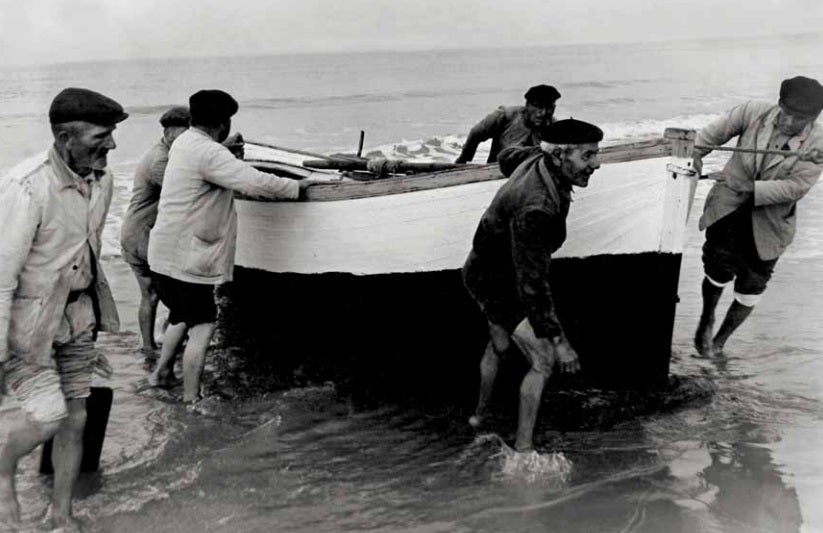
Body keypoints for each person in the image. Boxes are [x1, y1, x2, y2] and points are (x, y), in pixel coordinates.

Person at [0, 87, 126, 530]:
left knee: (77, 418)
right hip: (28, 322)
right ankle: (2, 475)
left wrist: (97, 328)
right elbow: (1, 278)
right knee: (47, 416)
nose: (110, 145)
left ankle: (61, 514)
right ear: (63, 137)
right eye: (100, 137)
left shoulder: (102, 180)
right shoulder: (25, 187)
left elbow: (86, 252)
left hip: (78, 318)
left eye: (111, 135)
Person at [147, 89, 308, 403]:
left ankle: (160, 373)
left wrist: (222, 148)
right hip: (189, 260)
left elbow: (210, 159)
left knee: (180, 317)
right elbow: (254, 182)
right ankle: (192, 399)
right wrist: (296, 187)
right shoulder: (210, 153)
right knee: (203, 327)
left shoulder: (184, 143)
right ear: (222, 123)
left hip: (163, 255)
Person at [462, 118, 603, 452]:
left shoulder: (535, 158)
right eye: (587, 156)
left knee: (499, 341)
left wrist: (537, 145)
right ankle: (524, 451)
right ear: (559, 157)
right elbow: (532, 286)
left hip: (483, 267)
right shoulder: (535, 208)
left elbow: (506, 156)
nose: (596, 164)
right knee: (544, 359)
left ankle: (479, 418)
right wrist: (560, 342)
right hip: (497, 279)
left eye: (596, 155)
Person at [693, 76, 823, 357]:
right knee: (716, 266)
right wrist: (693, 159)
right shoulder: (752, 111)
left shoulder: (818, 145)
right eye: (785, 112)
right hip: (727, 207)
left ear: (814, 117)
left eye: (798, 118)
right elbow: (706, 138)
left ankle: (719, 342)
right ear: (779, 103)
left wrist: (748, 187)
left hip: (771, 222)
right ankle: (707, 319)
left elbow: (796, 188)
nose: (788, 122)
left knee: (752, 284)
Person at [120, 106, 190, 356]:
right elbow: (187, 188)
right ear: (168, 132)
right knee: (175, 292)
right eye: (184, 134)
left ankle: (150, 345)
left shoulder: (163, 152)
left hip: (134, 231)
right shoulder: (160, 161)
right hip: (143, 235)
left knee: (153, 294)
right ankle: (163, 344)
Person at [455, 84, 561, 164]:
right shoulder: (504, 116)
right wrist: (464, 159)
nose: (543, 113)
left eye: (549, 108)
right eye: (538, 106)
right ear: (527, 105)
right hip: (498, 173)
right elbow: (476, 134)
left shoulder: (553, 126)